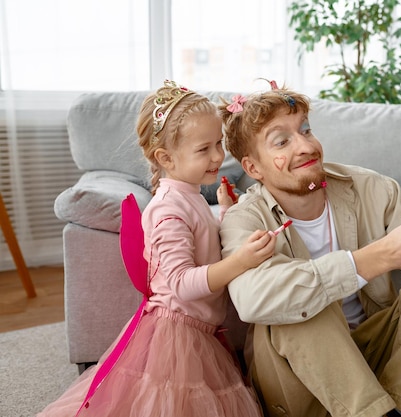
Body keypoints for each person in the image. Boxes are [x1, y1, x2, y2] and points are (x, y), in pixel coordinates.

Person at [217, 82, 401, 417]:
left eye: (306, 130)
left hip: (376, 353)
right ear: (253, 169)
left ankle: (394, 408)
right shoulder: (242, 219)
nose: (306, 145)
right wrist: (373, 259)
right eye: (283, 140)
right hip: (300, 376)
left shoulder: (372, 188)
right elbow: (252, 300)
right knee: (296, 301)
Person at [37, 80, 276, 417]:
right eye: (204, 149)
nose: (218, 156)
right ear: (166, 157)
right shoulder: (167, 209)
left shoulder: (189, 195)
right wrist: (241, 261)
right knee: (169, 403)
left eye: (218, 143)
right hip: (178, 332)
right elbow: (182, 283)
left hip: (199, 328)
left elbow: (204, 246)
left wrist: (225, 213)